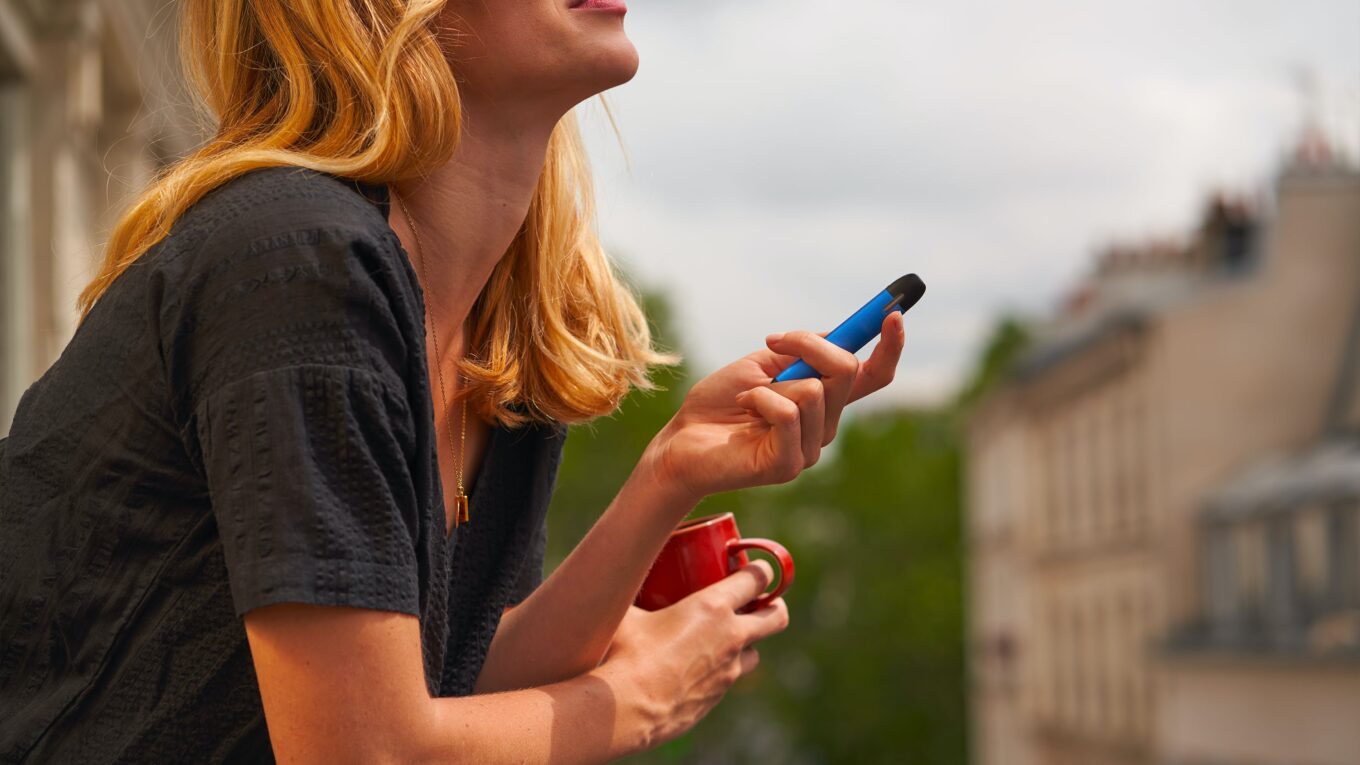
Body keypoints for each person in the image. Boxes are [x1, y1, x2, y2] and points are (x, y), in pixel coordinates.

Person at [0, 1, 907, 762]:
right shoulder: (300, 265)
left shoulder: (498, 333)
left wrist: (674, 469)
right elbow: (368, 750)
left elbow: (454, 682)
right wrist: (635, 695)